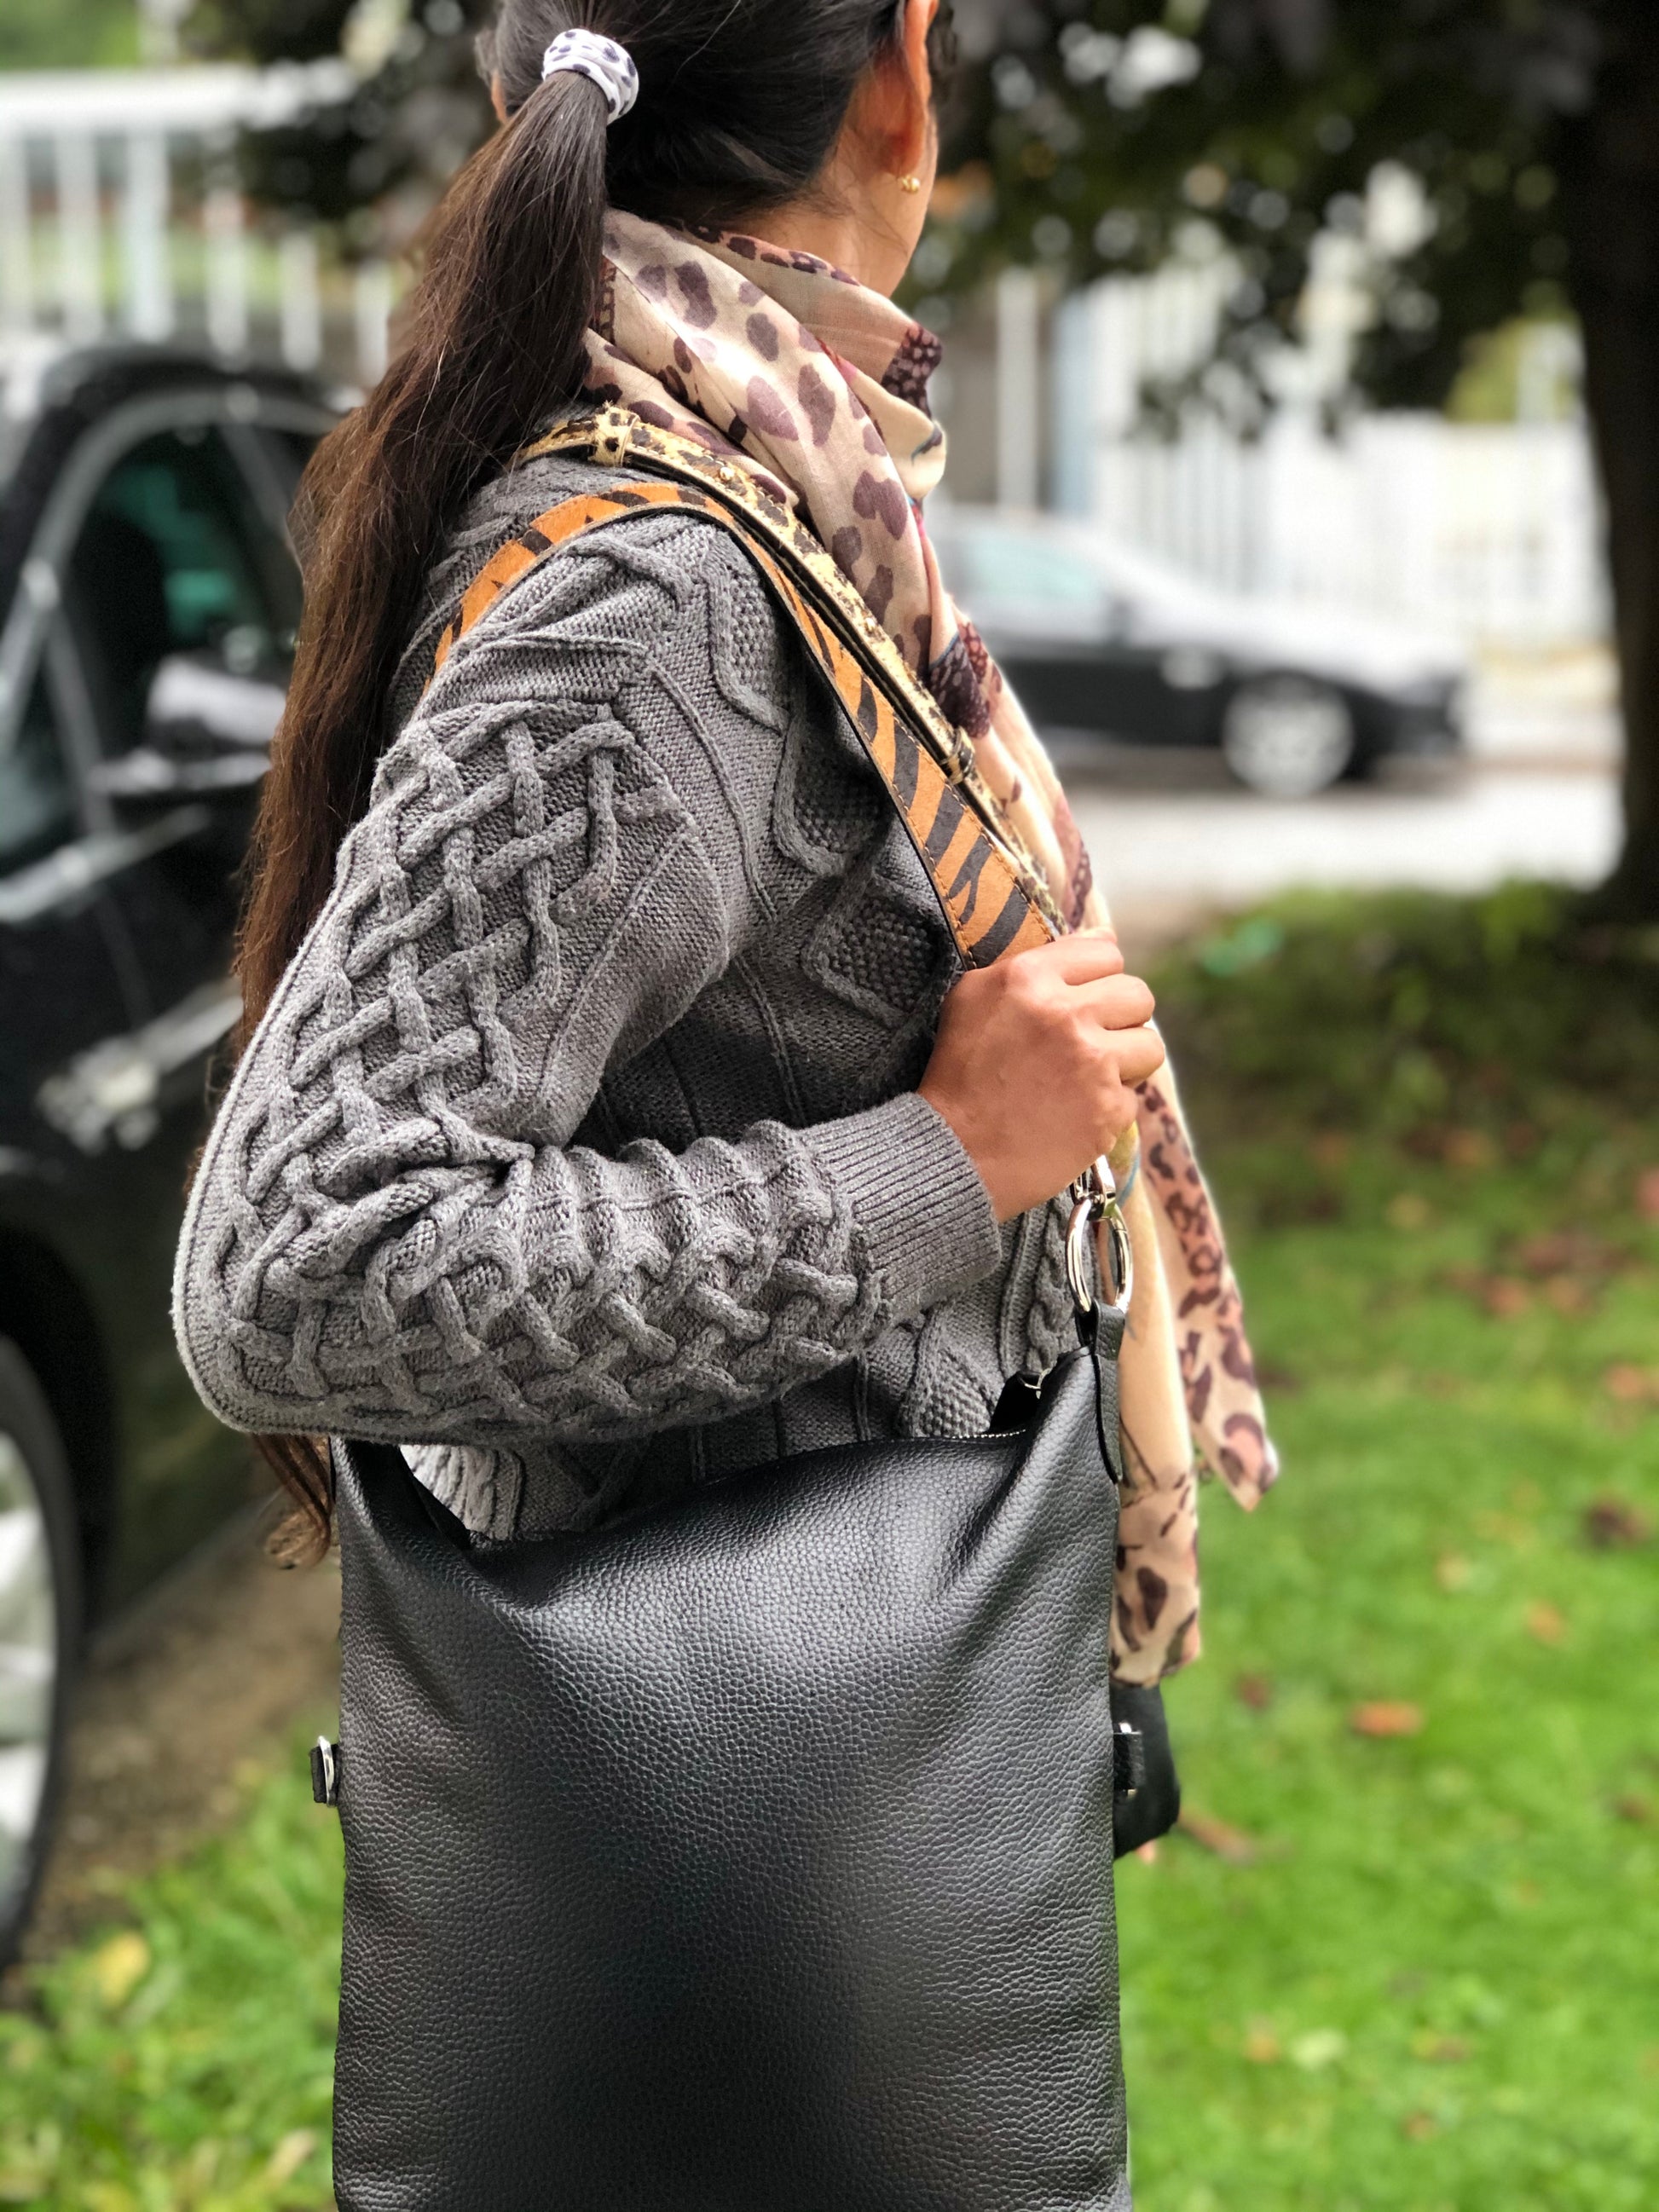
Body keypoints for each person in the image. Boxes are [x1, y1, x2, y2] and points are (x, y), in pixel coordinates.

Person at [176, 0, 1272, 1883]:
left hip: (825, 1725)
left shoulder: (754, 494)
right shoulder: (659, 586)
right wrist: (941, 1163)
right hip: (732, 1816)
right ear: (899, 72)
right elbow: (297, 1263)